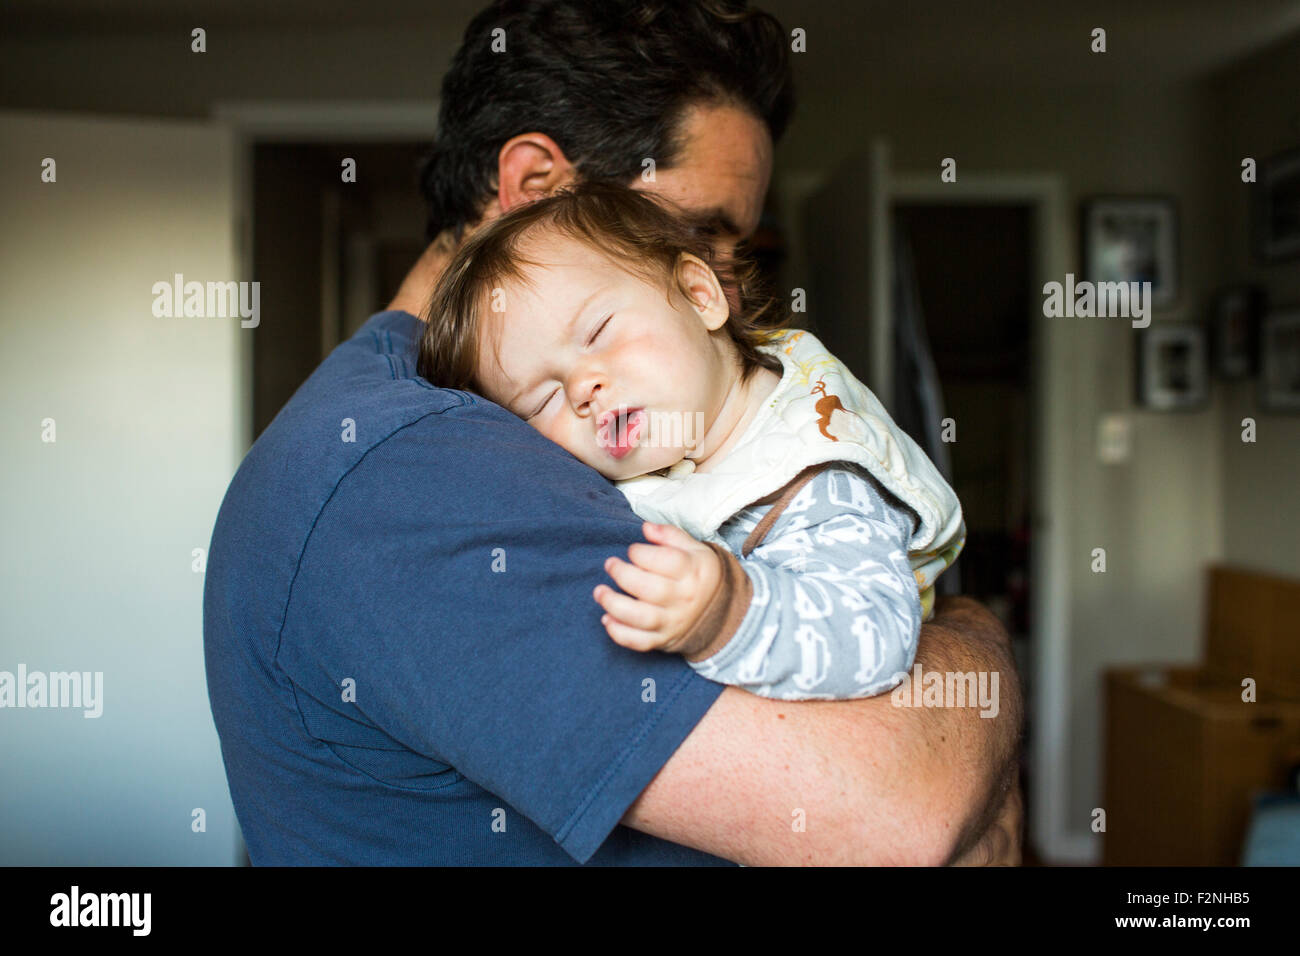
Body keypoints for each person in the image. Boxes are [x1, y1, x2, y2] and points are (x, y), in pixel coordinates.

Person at [204, 0, 1023, 865]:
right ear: (536, 189)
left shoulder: (469, 423)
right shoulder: (410, 476)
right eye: (702, 230)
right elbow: (898, 816)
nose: (726, 288)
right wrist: (981, 642)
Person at [417, 182, 967, 702]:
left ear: (700, 296)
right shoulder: (662, 438)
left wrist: (725, 613)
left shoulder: (815, 474)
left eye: (598, 333)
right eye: (542, 401)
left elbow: (877, 637)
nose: (583, 388)